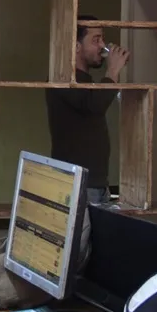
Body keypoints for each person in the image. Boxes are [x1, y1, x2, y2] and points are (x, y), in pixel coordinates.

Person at [45, 15, 130, 204]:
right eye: (96, 40)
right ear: (76, 46)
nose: (103, 46)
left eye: (102, 39)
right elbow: (94, 105)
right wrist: (112, 72)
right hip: (76, 185)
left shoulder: (86, 80)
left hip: (95, 184)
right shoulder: (62, 77)